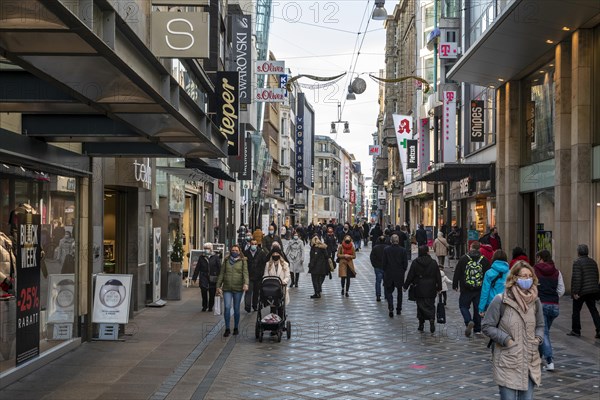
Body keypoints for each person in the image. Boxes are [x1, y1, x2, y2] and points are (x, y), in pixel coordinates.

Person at [482, 261, 544, 399]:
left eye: (529, 276)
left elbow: (540, 325)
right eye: (523, 276)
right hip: (507, 361)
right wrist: (506, 340)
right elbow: (486, 326)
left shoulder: (535, 301)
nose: (527, 279)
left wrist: (538, 339)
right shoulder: (501, 300)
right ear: (514, 278)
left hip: (530, 361)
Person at [533, 249, 565, 371]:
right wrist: (553, 295)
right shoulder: (557, 272)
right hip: (554, 306)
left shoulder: (535, 270)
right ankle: (539, 356)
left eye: (537, 258)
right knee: (543, 332)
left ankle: (550, 360)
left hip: (541, 304)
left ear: (541, 258)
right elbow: (561, 290)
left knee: (544, 333)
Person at [452, 241, 491, 337]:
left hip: (466, 288)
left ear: (471, 248)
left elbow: (457, 272)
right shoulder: (484, 260)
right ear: (479, 249)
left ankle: (468, 320)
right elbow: (488, 275)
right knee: (478, 308)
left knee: (463, 306)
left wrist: (455, 284)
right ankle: (477, 329)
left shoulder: (464, 259)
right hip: (479, 288)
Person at [403, 245, 442, 334]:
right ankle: (431, 319)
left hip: (419, 287)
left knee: (420, 306)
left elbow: (410, 275)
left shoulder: (415, 262)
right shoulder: (433, 262)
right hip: (431, 287)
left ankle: (421, 324)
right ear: (428, 252)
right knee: (430, 305)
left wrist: (405, 286)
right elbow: (438, 276)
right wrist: (439, 287)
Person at [567, 244, 600, 338]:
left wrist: (575, 292)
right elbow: (596, 276)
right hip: (592, 290)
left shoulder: (577, 262)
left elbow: (577, 278)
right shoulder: (593, 262)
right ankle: (599, 329)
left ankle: (576, 330)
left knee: (576, 311)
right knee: (594, 310)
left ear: (578, 252)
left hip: (581, 291)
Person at [216, 245, 248, 337]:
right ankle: (227, 328)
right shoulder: (226, 260)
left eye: (236, 250)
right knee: (227, 307)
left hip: (238, 288)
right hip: (227, 288)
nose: (234, 251)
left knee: (236, 309)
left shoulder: (243, 261)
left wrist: (246, 283)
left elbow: (245, 273)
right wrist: (218, 286)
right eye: (233, 250)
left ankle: (236, 327)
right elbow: (222, 273)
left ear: (239, 251)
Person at [383, 234, 408, 317]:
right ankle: (398, 309)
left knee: (389, 291)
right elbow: (405, 263)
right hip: (399, 274)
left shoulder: (386, 250)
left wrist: (386, 270)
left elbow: (384, 263)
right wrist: (402, 270)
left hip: (389, 273)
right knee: (399, 292)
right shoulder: (403, 250)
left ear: (391, 241)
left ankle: (390, 306)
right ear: (398, 241)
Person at [479, 249, 510, 316]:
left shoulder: (489, 273)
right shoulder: (510, 273)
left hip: (491, 303)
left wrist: (481, 308)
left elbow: (485, 291)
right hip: (506, 302)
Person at [191, 243, 221, 312]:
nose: (206, 250)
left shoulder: (215, 257)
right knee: (203, 291)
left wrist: (220, 278)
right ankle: (204, 306)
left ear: (211, 249)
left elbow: (219, 268)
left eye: (208, 248)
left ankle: (210, 306)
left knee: (212, 292)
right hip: (203, 276)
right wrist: (194, 278)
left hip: (213, 277)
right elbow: (197, 268)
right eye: (205, 248)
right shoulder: (202, 257)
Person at [263, 247, 291, 320]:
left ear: (280, 254)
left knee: (281, 307)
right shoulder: (268, 264)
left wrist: (283, 282)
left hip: (281, 287)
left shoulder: (285, 264)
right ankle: (273, 323)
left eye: (277, 253)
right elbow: (265, 275)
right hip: (271, 288)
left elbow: (287, 276)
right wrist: (267, 282)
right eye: (274, 253)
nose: (275, 255)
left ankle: (281, 322)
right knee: (273, 307)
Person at [243, 239, 267, 312]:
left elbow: (264, 263)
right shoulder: (246, 253)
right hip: (249, 275)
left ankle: (255, 305)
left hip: (258, 276)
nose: (254, 245)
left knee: (256, 292)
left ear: (257, 245)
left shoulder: (261, 253)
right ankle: (247, 306)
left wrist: (262, 273)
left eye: (255, 244)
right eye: (252, 244)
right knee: (248, 291)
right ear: (250, 244)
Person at [370, 236, 387, 302]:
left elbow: (372, 257)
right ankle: (386, 295)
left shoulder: (375, 248)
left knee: (378, 281)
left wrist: (374, 265)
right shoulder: (387, 247)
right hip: (385, 267)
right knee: (386, 282)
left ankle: (378, 295)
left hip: (377, 267)